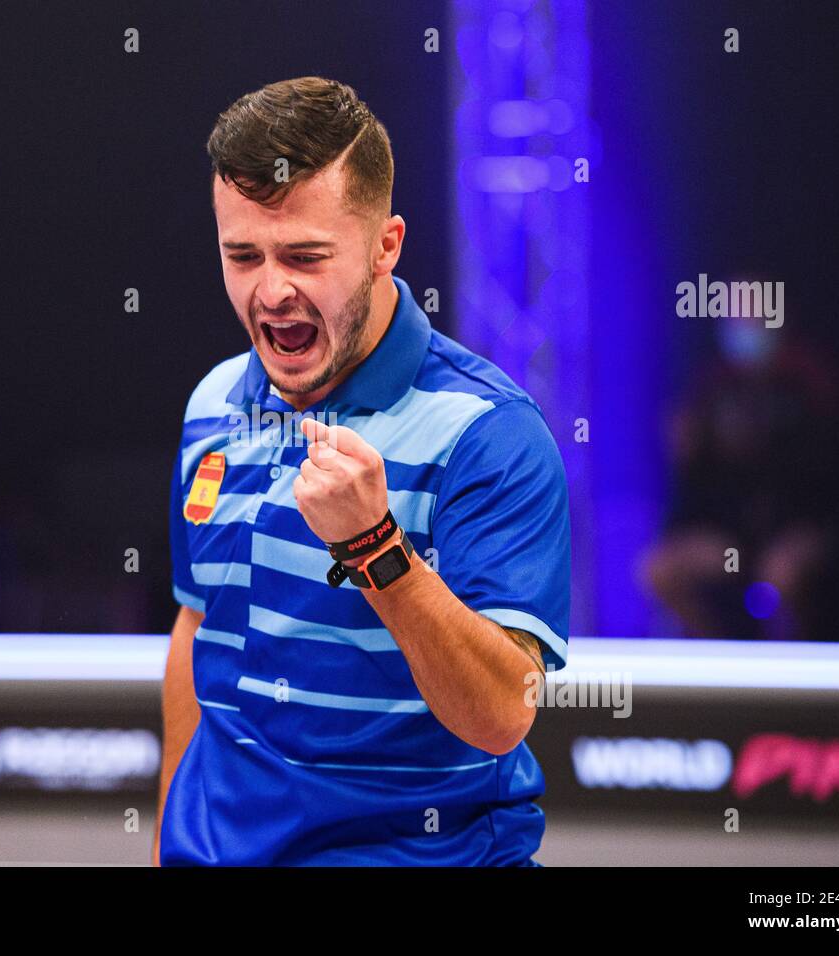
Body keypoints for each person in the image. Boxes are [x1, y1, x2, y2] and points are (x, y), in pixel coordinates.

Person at [155, 77, 571, 865]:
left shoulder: (489, 431)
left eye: (305, 256)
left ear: (386, 247)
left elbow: (502, 716)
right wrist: (166, 847)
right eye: (242, 255)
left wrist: (376, 550)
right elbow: (196, 627)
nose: (270, 290)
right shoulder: (212, 400)